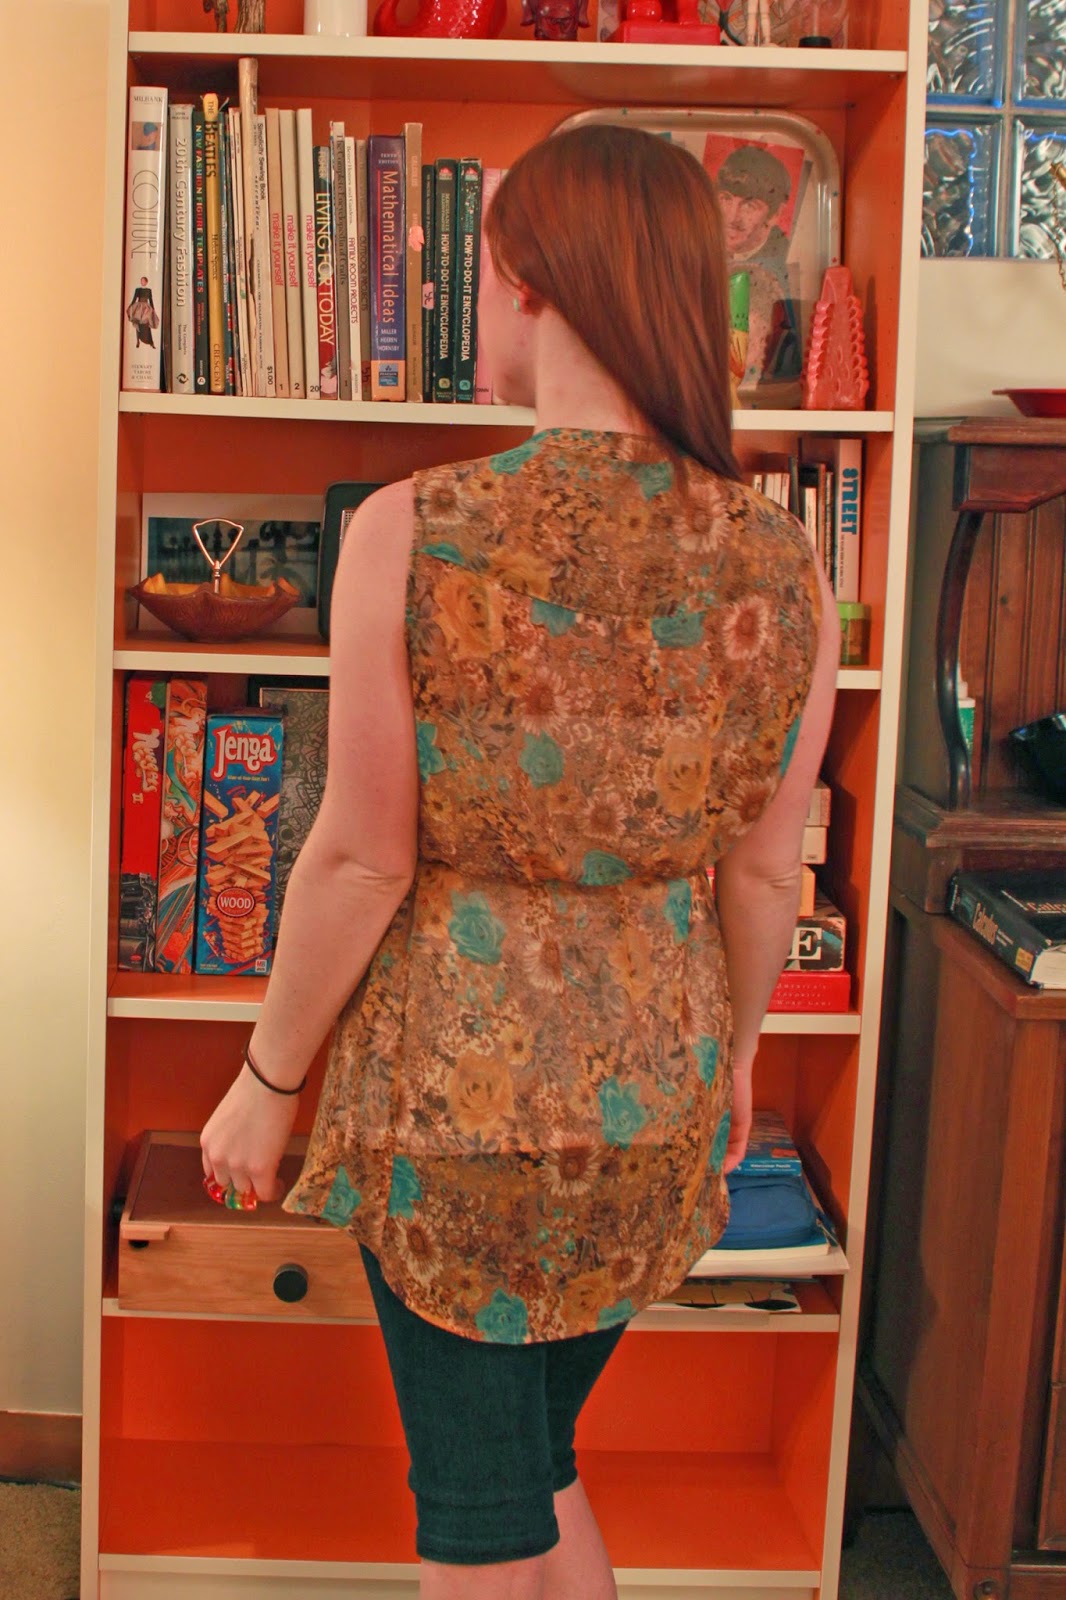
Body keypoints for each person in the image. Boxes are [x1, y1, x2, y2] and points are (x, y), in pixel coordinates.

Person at [200, 123, 838, 1600]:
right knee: (535, 1477)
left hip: (459, 1117)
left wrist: (267, 1081)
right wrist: (736, 1058)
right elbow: (761, 879)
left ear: (531, 282)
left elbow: (360, 860)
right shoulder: (783, 559)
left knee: (479, 1530)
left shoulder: (411, 530)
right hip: (662, 1096)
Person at [713, 143, 802, 392]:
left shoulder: (788, 267)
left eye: (749, 206)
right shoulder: (693, 250)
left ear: (775, 215)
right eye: (726, 199)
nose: (732, 217)